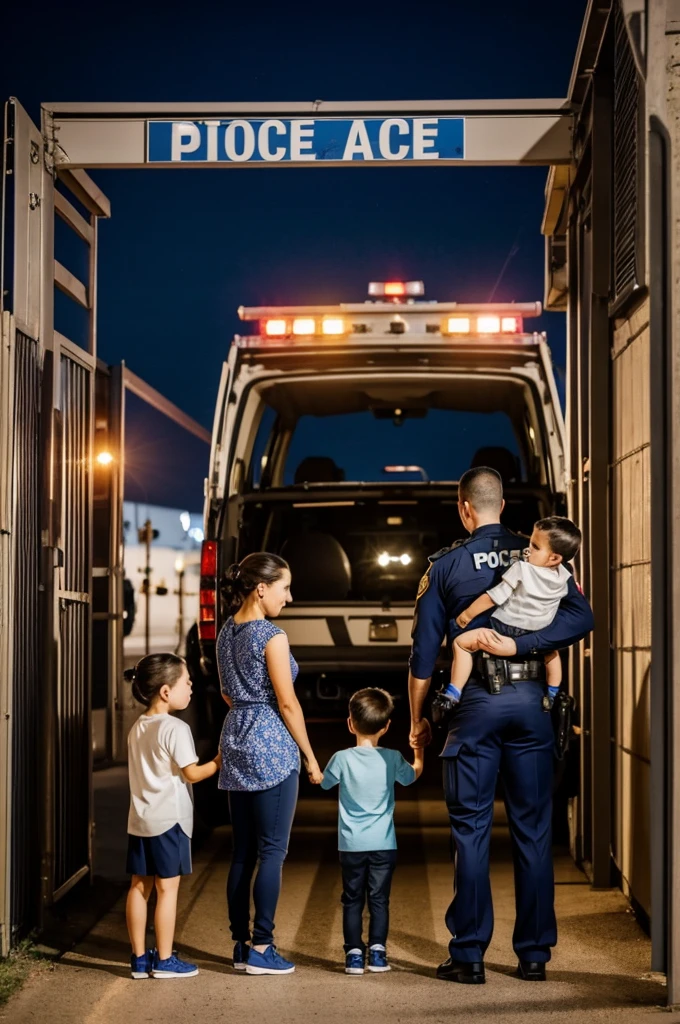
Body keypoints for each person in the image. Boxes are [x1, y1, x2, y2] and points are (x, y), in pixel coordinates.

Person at [408, 467, 593, 984]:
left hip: (474, 709)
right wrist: (525, 647)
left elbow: (424, 655)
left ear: (465, 507)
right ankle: (533, 956)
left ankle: (468, 956)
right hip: (533, 705)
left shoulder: (445, 566)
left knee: (471, 833)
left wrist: (418, 718)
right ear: (503, 505)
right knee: (534, 832)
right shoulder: (541, 553)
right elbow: (581, 619)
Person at [217, 552, 323, 977]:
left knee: (242, 851)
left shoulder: (227, 631)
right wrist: (310, 756)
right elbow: (287, 702)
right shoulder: (271, 635)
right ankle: (263, 946)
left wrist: (246, 711)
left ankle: (240, 945)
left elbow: (227, 693)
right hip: (271, 746)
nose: (290, 597)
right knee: (273, 852)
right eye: (285, 587)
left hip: (236, 734)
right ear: (262, 588)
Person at [125, 653, 220, 980]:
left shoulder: (138, 727)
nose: (191, 689)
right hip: (170, 822)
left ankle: (139, 958)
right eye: (187, 683)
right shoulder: (176, 728)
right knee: (167, 890)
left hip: (140, 820)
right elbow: (192, 774)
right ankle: (164, 960)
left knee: (140, 886)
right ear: (166, 691)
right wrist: (219, 761)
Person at [320, 688, 423, 975]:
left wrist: (313, 768)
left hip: (351, 845)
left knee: (352, 899)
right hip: (384, 844)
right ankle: (378, 953)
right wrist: (420, 750)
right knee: (379, 899)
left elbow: (324, 783)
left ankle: (354, 954)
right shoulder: (391, 758)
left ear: (350, 723)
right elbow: (413, 775)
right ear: (386, 726)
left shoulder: (341, 758)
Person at [448, 516, 582, 706]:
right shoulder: (564, 577)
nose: (528, 550)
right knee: (552, 655)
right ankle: (552, 694)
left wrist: (467, 615)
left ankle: (453, 692)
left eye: (535, 547)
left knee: (462, 643)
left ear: (554, 557)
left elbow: (493, 596)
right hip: (539, 631)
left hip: (506, 627)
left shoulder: (521, 569)